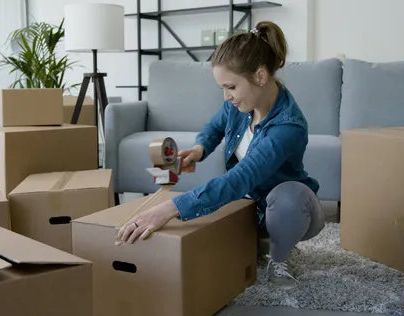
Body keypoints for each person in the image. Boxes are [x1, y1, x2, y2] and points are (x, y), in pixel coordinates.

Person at [115, 21, 325, 289]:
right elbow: (214, 127)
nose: (227, 96)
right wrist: (200, 149)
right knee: (219, 221)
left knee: (287, 197)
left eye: (231, 87)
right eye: (222, 89)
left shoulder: (287, 127)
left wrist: (169, 209)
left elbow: (241, 177)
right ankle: (266, 239)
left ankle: (280, 256)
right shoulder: (239, 104)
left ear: (260, 77)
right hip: (253, 208)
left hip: (296, 209)